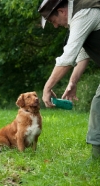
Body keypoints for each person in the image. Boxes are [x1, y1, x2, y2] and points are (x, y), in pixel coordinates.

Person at [38, 0, 100, 159]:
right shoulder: (80, 18)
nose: (56, 26)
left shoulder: (83, 13)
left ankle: (96, 158)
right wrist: (72, 82)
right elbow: (82, 54)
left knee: (98, 105)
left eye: (53, 21)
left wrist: (47, 87)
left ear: (62, 11)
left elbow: (68, 57)